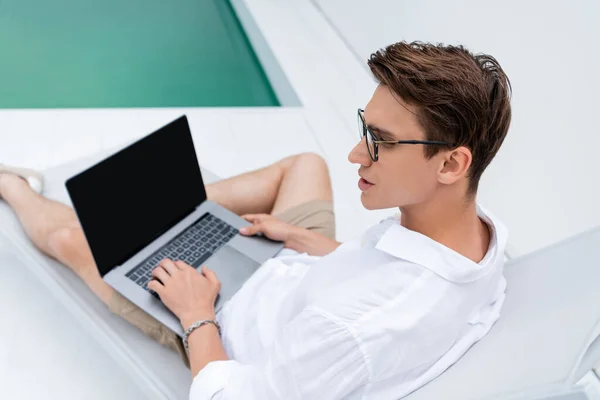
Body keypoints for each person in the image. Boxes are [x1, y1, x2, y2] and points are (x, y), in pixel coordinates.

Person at [0, 41, 511, 399]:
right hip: (291, 271)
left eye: (380, 141)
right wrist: (302, 240)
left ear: (451, 164)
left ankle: (13, 187)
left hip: (224, 312)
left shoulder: (350, 331)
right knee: (305, 164)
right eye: (365, 129)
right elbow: (377, 271)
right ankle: (169, 216)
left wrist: (196, 311)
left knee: (70, 236)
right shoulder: (477, 238)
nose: (357, 154)